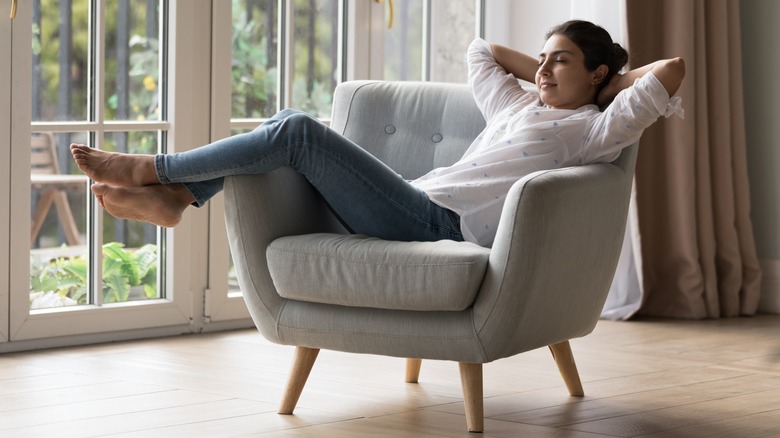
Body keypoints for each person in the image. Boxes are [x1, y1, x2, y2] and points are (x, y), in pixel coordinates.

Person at [71, 20, 685, 247]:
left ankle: (155, 172)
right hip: (414, 200)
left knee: (298, 131)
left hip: (440, 224)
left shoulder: (594, 129)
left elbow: (672, 70)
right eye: (542, 59)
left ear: (598, 75)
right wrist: (551, 69)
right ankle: (179, 196)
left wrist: (608, 86)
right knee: (287, 122)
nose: (544, 70)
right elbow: (481, 50)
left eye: (561, 62)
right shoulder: (515, 106)